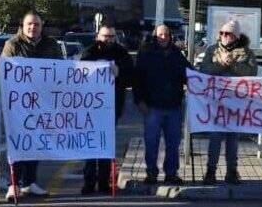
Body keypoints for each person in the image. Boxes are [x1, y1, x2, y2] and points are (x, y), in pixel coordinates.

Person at [2, 10, 64, 200]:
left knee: (36, 143)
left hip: (42, 104)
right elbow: (5, 72)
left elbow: (61, 70)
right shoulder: (12, 45)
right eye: (29, 24)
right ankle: (13, 184)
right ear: (23, 25)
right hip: (18, 105)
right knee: (17, 144)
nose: (33, 27)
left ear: (42, 26)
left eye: (36, 24)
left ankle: (30, 182)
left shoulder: (51, 45)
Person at [199, 20, 257, 185]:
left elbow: (252, 73)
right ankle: (210, 171)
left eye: (228, 33)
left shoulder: (246, 53)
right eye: (222, 33)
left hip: (236, 104)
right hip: (216, 103)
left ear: (236, 36)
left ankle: (232, 171)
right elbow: (204, 70)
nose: (224, 36)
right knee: (215, 137)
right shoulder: (212, 50)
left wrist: (233, 65)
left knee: (232, 138)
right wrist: (222, 64)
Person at [80, 24, 134, 194]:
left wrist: (119, 72)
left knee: (105, 145)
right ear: (98, 36)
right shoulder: (89, 52)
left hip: (112, 107)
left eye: (111, 37)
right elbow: (79, 74)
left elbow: (131, 77)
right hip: (90, 108)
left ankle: (103, 182)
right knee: (90, 146)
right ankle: (89, 182)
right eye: (105, 36)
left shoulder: (122, 53)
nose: (108, 40)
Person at [134, 24, 190, 185]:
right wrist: (139, 101)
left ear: (170, 36)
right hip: (152, 107)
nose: (163, 37)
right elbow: (137, 80)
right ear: (155, 36)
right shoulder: (146, 53)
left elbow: (189, 73)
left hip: (174, 106)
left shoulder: (176, 54)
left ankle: (171, 173)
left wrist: (201, 82)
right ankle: (151, 173)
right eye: (160, 34)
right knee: (151, 142)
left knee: (173, 143)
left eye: (166, 34)